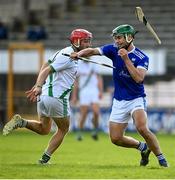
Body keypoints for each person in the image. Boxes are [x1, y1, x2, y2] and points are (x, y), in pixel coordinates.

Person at [70, 24, 169, 167]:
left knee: (141, 128)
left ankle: (161, 159)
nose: (117, 41)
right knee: (115, 138)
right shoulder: (112, 49)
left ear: (129, 38)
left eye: (119, 38)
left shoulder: (142, 57)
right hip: (119, 100)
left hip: (136, 98)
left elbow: (139, 78)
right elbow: (92, 50)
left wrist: (126, 59)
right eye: (115, 38)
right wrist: (79, 54)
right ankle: (143, 148)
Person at [2, 28, 93, 165]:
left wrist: (39, 85)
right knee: (64, 129)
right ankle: (45, 159)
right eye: (86, 41)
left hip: (44, 97)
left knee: (44, 129)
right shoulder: (68, 56)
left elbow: (46, 64)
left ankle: (21, 122)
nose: (89, 45)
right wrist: (38, 85)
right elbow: (47, 69)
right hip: (57, 98)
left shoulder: (64, 51)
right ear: (77, 41)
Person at [71, 60, 103, 141]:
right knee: (83, 114)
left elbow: (99, 78)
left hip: (94, 90)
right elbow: (76, 82)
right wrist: (74, 96)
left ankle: (94, 131)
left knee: (96, 112)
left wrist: (100, 91)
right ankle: (79, 133)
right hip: (84, 91)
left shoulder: (94, 63)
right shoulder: (78, 64)